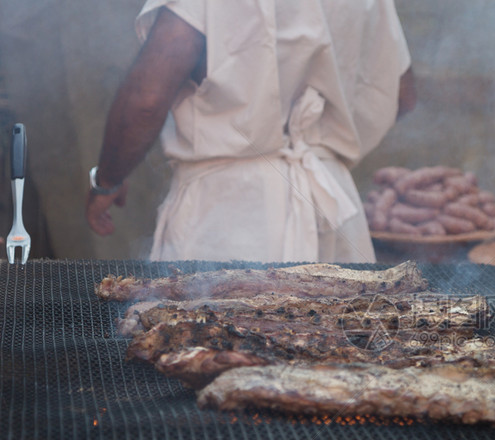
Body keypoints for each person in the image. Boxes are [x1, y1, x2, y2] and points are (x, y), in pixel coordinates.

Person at [85, 0, 416, 263]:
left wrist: (108, 181)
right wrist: (322, 136)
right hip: (334, 213)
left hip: (231, 215)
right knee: (341, 345)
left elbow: (147, 99)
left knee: (208, 346)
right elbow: (401, 94)